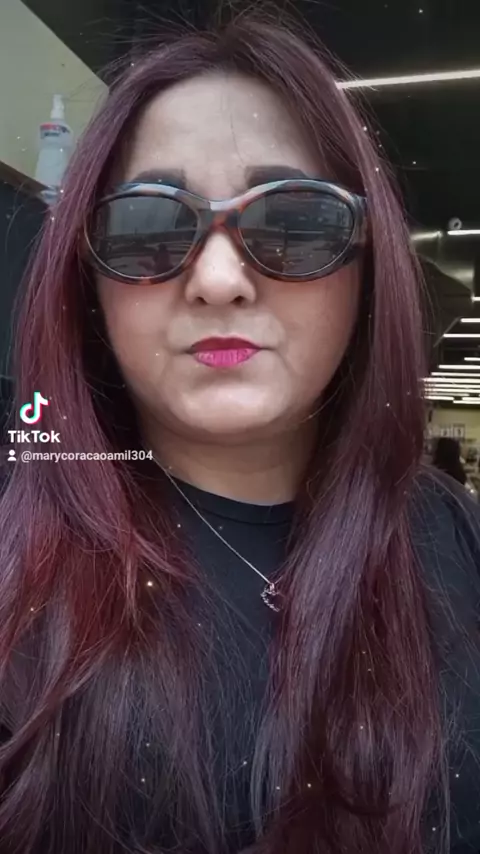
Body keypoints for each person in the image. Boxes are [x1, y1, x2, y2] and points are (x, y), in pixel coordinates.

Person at [0, 10, 479, 854]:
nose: (219, 279)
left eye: (293, 221)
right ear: (87, 283)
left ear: (368, 267)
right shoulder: (17, 567)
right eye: (150, 226)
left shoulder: (456, 544)